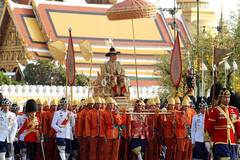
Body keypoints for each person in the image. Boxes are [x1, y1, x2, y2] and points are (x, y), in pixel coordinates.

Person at [206, 89, 240, 159]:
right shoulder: (215, 111)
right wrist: (211, 139)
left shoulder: (235, 110)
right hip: (220, 142)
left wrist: (239, 139)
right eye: (225, 97)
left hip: (232, 143)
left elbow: (238, 126)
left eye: (228, 97)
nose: (227, 99)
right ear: (220, 98)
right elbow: (209, 127)